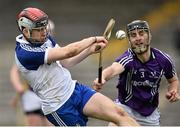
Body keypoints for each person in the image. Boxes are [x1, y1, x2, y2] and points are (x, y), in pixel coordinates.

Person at [14, 7, 139, 126]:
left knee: (120, 114)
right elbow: (68, 52)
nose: (44, 32)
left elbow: (66, 61)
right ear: (26, 31)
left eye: (44, 28)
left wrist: (90, 50)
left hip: (75, 90)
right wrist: (93, 39)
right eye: (39, 30)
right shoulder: (25, 53)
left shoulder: (44, 39)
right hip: (59, 107)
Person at [93, 20, 180, 126]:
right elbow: (113, 69)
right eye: (133, 35)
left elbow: (173, 80)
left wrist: (173, 91)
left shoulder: (163, 60)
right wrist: (102, 77)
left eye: (141, 33)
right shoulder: (127, 58)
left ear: (149, 36)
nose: (138, 38)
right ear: (129, 40)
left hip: (150, 116)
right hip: (125, 109)